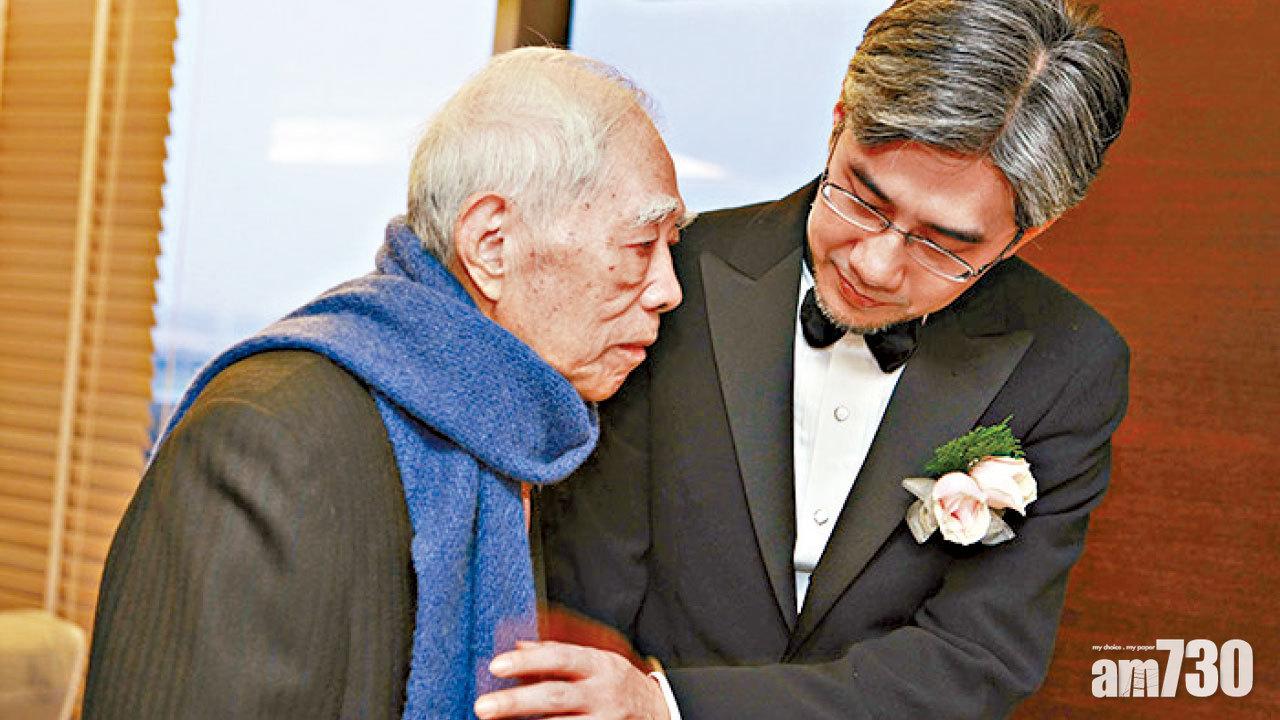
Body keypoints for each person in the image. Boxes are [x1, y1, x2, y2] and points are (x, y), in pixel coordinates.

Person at [476, 1, 1133, 718]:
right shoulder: (678, 277)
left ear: (1028, 233)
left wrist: (670, 706)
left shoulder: (1067, 364)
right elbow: (586, 579)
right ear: (838, 121)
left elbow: (976, 658)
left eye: (943, 244)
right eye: (863, 199)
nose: (876, 265)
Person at [81, 47, 686, 720]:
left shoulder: (531, 446)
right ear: (492, 245)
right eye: (640, 246)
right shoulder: (268, 440)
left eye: (671, 247)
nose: (669, 289)